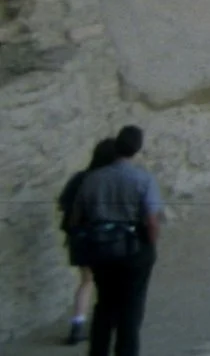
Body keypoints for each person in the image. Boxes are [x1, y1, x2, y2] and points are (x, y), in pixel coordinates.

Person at [70, 125, 161, 356]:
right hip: (134, 249)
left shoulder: (92, 179)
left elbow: (76, 217)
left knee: (105, 306)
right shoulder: (143, 179)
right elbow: (151, 219)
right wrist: (150, 244)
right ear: (137, 149)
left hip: (101, 249)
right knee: (131, 308)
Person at [58, 138, 121, 346]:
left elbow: (63, 204)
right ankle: (111, 322)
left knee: (86, 281)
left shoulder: (79, 178)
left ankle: (77, 324)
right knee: (111, 282)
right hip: (104, 239)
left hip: (79, 238)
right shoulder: (108, 181)